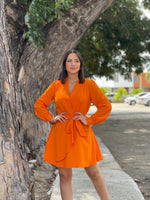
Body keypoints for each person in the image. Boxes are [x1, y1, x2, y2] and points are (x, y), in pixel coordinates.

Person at [34, 49, 112, 200]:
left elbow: (105, 106)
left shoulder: (89, 85)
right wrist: (51, 118)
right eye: (69, 60)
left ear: (80, 65)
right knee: (64, 175)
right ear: (64, 65)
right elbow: (39, 105)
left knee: (93, 172)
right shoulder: (56, 85)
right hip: (62, 132)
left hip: (82, 132)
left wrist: (89, 119)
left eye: (76, 60)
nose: (73, 64)